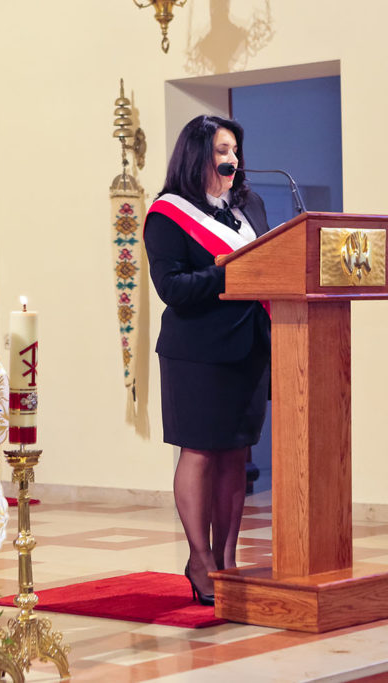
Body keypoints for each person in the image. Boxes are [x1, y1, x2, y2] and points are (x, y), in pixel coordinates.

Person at [143, 114, 271, 605]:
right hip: (196, 353)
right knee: (199, 452)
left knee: (236, 455)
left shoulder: (250, 206)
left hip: (248, 348)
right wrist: (226, 273)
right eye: (221, 150)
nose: (232, 159)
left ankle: (228, 560)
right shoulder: (167, 214)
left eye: (235, 150)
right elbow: (172, 288)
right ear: (197, 156)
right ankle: (200, 560)